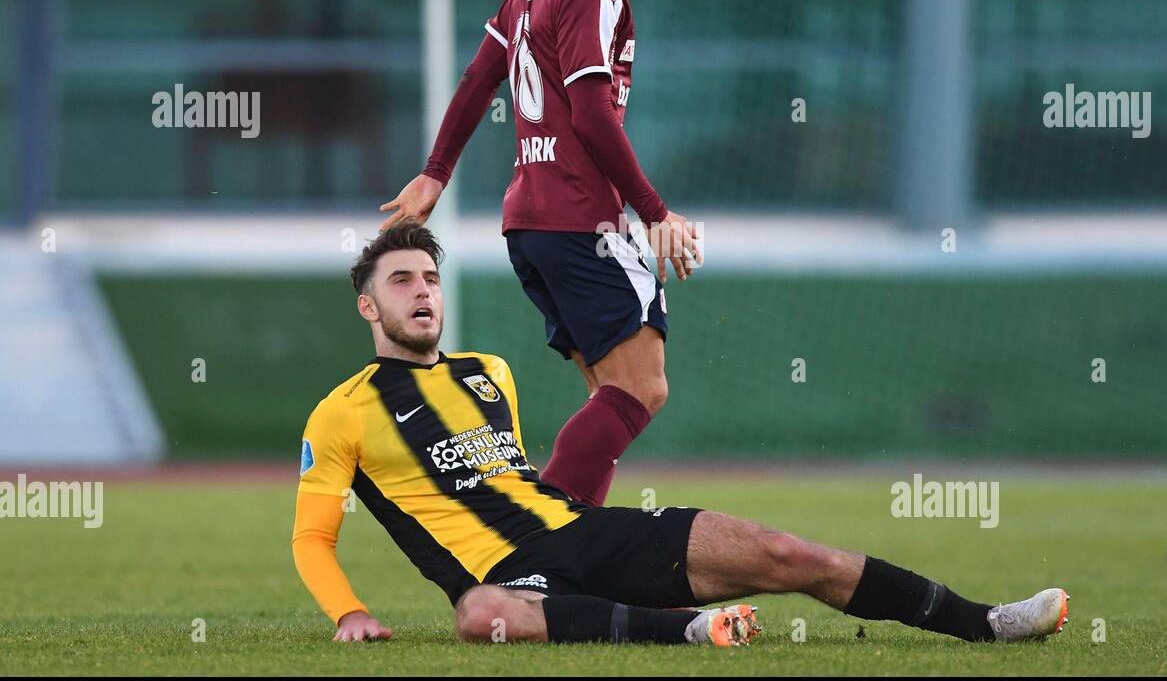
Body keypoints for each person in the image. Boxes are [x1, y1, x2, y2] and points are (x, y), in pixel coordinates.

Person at [291, 222, 1070, 647]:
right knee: (480, 618)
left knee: (785, 554)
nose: (421, 292)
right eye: (402, 282)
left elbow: (523, 481)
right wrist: (348, 612)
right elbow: (312, 539)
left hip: (579, 534)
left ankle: (985, 623)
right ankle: (691, 632)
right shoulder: (342, 410)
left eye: (429, 278)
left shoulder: (488, 370)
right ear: (369, 308)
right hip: (503, 578)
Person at [377, 0, 698, 507]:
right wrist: (657, 212)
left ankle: (574, 564)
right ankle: (536, 548)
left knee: (609, 396)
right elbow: (589, 114)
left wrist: (437, 172)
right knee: (643, 387)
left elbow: (478, 76)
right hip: (580, 219)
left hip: (531, 221)